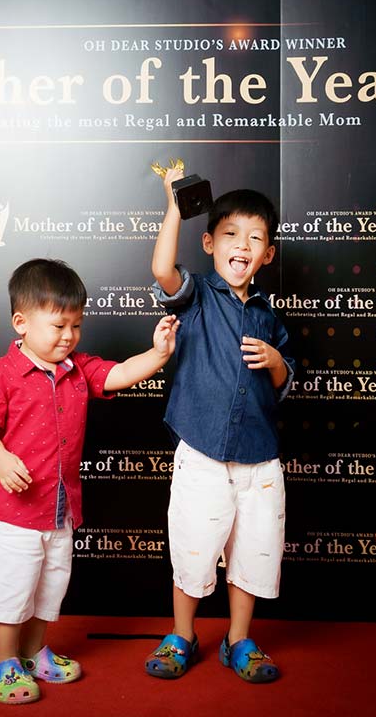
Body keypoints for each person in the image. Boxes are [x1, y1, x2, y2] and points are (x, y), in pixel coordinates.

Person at [0, 257, 179, 705]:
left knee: (49, 586)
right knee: (15, 584)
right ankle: (1, 661)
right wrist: (2, 458)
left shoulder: (79, 368)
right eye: (59, 325)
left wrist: (159, 354)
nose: (69, 336)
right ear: (21, 323)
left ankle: (32, 651)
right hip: (14, 511)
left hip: (61, 509)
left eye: (77, 326)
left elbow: (118, 374)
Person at [144, 166, 294, 684]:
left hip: (260, 460)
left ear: (268, 254)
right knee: (192, 549)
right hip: (203, 453)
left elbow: (282, 382)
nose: (242, 245)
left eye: (256, 238)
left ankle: (239, 640)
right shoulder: (198, 295)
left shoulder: (270, 316)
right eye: (230, 234)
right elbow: (164, 268)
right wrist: (173, 205)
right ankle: (182, 635)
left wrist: (276, 360)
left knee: (252, 554)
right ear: (209, 242)